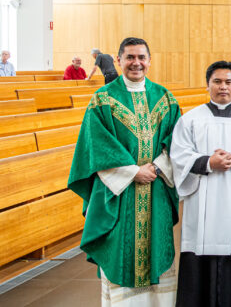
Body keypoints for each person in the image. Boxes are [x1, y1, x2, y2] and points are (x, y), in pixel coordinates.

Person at [67, 37, 182, 307]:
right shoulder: (102, 99)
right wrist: (132, 172)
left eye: (142, 57)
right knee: (121, 252)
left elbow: (178, 140)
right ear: (118, 60)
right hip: (118, 195)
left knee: (157, 253)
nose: (136, 63)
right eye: (130, 57)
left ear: (150, 61)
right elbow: (96, 145)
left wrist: (155, 167)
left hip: (156, 190)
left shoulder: (165, 98)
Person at [170, 61, 231, 307]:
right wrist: (208, 162)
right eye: (217, 81)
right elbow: (179, 155)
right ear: (208, 85)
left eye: (228, 82)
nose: (223, 87)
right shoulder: (191, 119)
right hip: (202, 198)